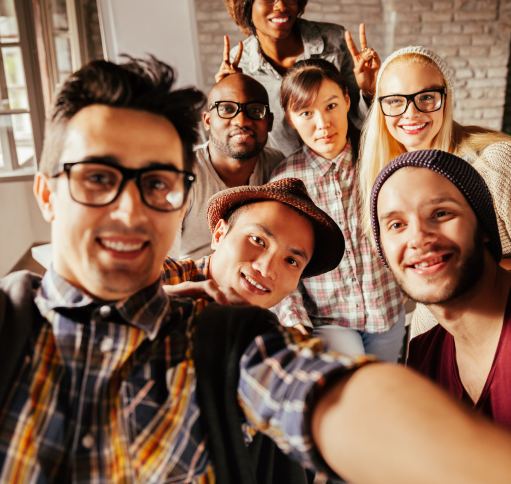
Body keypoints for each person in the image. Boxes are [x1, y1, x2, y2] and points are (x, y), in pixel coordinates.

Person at [0, 57, 511, 484]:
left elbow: (337, 395)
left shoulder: (226, 344)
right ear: (47, 193)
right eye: (98, 179)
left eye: (157, 184)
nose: (131, 210)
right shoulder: (5, 324)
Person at [358, 45, 511, 335]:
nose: (410, 113)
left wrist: (489, 270)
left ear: (446, 98)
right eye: (395, 101)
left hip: (510, 324)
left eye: (426, 97)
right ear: (381, 107)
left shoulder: (497, 161)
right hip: (433, 332)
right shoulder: (388, 177)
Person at [370, 148, 511, 442]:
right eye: (396, 225)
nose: (418, 238)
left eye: (441, 213)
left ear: (483, 224)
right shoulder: (424, 356)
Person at [270, 58, 405, 365]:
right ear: (291, 119)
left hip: (387, 311)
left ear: (347, 99)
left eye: (330, 106)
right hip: (329, 319)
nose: (322, 124)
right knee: (354, 389)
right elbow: (279, 261)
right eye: (306, 113)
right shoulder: (284, 183)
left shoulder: (380, 159)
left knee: (386, 388)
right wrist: (295, 323)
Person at [217, 0, 381, 156]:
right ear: (246, 4)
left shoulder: (333, 41)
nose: (281, 6)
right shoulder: (239, 64)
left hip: (346, 163)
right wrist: (227, 99)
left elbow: (360, 119)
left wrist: (369, 91)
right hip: (282, 171)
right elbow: (244, 136)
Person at [164, 177, 345, 313]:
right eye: (258, 240)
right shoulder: (158, 277)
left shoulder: (265, 338)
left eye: (291, 261)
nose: (266, 270)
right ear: (219, 235)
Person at [169, 73, 283, 260]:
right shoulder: (181, 173)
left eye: (255, 111)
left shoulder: (277, 166)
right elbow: (162, 265)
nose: (242, 121)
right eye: (227, 109)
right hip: (196, 283)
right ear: (207, 121)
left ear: (269, 122)